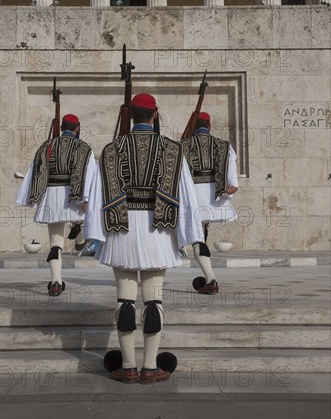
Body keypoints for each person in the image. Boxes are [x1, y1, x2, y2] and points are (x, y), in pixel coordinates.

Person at [85, 94, 204, 384]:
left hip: (121, 228)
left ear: (131, 115)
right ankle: (150, 367)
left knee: (124, 299)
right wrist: (190, 235)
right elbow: (187, 197)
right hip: (158, 230)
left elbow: (97, 195)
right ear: (154, 115)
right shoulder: (173, 150)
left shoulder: (112, 149)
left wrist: (95, 236)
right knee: (154, 300)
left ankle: (127, 366)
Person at [16, 114, 96, 296]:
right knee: (82, 218)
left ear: (61, 128)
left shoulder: (46, 146)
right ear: (77, 128)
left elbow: (35, 172)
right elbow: (90, 175)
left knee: (55, 244)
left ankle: (56, 282)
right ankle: (79, 237)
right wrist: (87, 198)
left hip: (51, 196)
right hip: (73, 196)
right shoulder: (84, 148)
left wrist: (32, 197)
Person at [181, 111, 238, 295]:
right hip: (214, 197)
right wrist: (230, 187)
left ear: (193, 128)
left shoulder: (182, 146)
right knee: (200, 234)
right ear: (210, 126)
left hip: (192, 196)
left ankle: (211, 280)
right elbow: (232, 180)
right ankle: (208, 278)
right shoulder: (224, 146)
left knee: (197, 238)